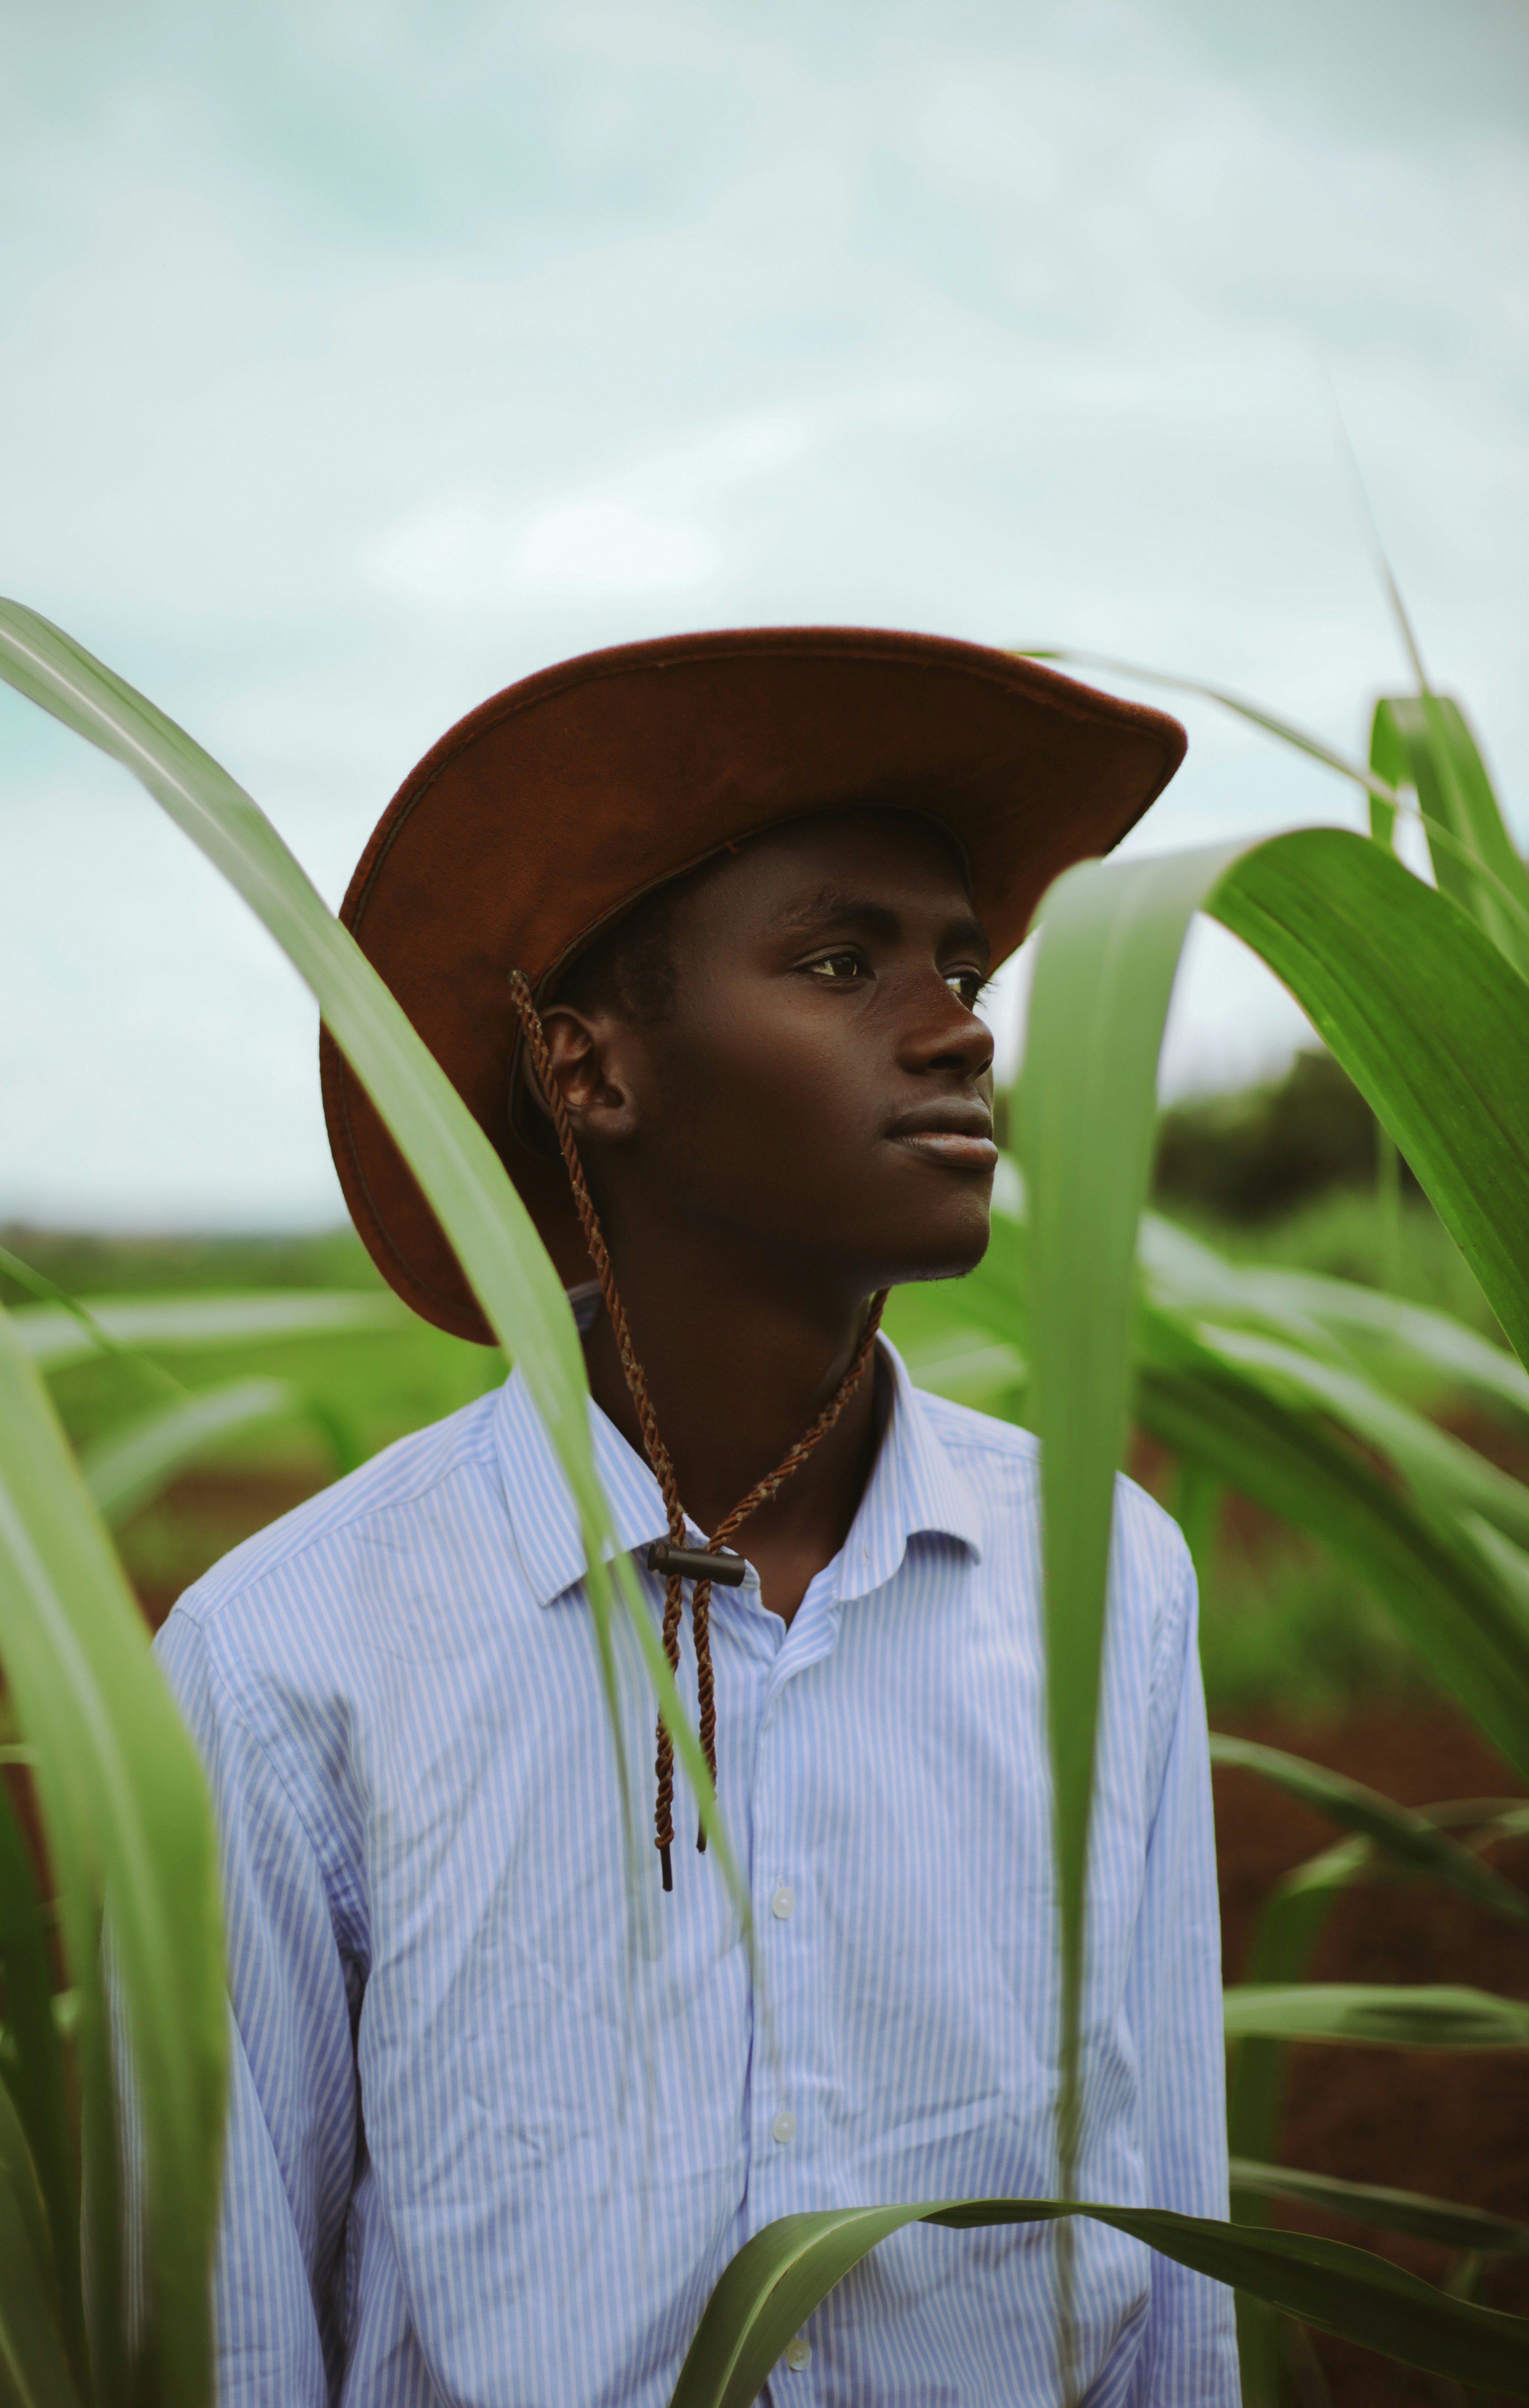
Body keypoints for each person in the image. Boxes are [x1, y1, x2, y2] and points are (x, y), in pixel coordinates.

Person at [157, 627, 1239, 2405]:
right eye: (842, 962)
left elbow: (1174, 2255)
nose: (962, 1029)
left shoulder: (1107, 1582)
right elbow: (234, 2332)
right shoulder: (290, 1660)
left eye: (965, 966)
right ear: (589, 1074)